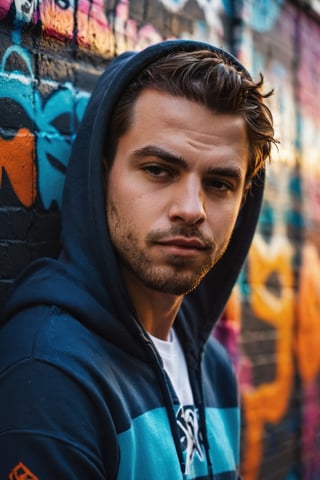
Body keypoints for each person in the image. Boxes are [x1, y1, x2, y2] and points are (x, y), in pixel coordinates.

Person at [0, 40, 276, 479]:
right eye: (158, 170)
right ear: (102, 172)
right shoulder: (51, 375)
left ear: (244, 198)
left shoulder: (214, 368)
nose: (191, 208)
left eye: (220, 182)